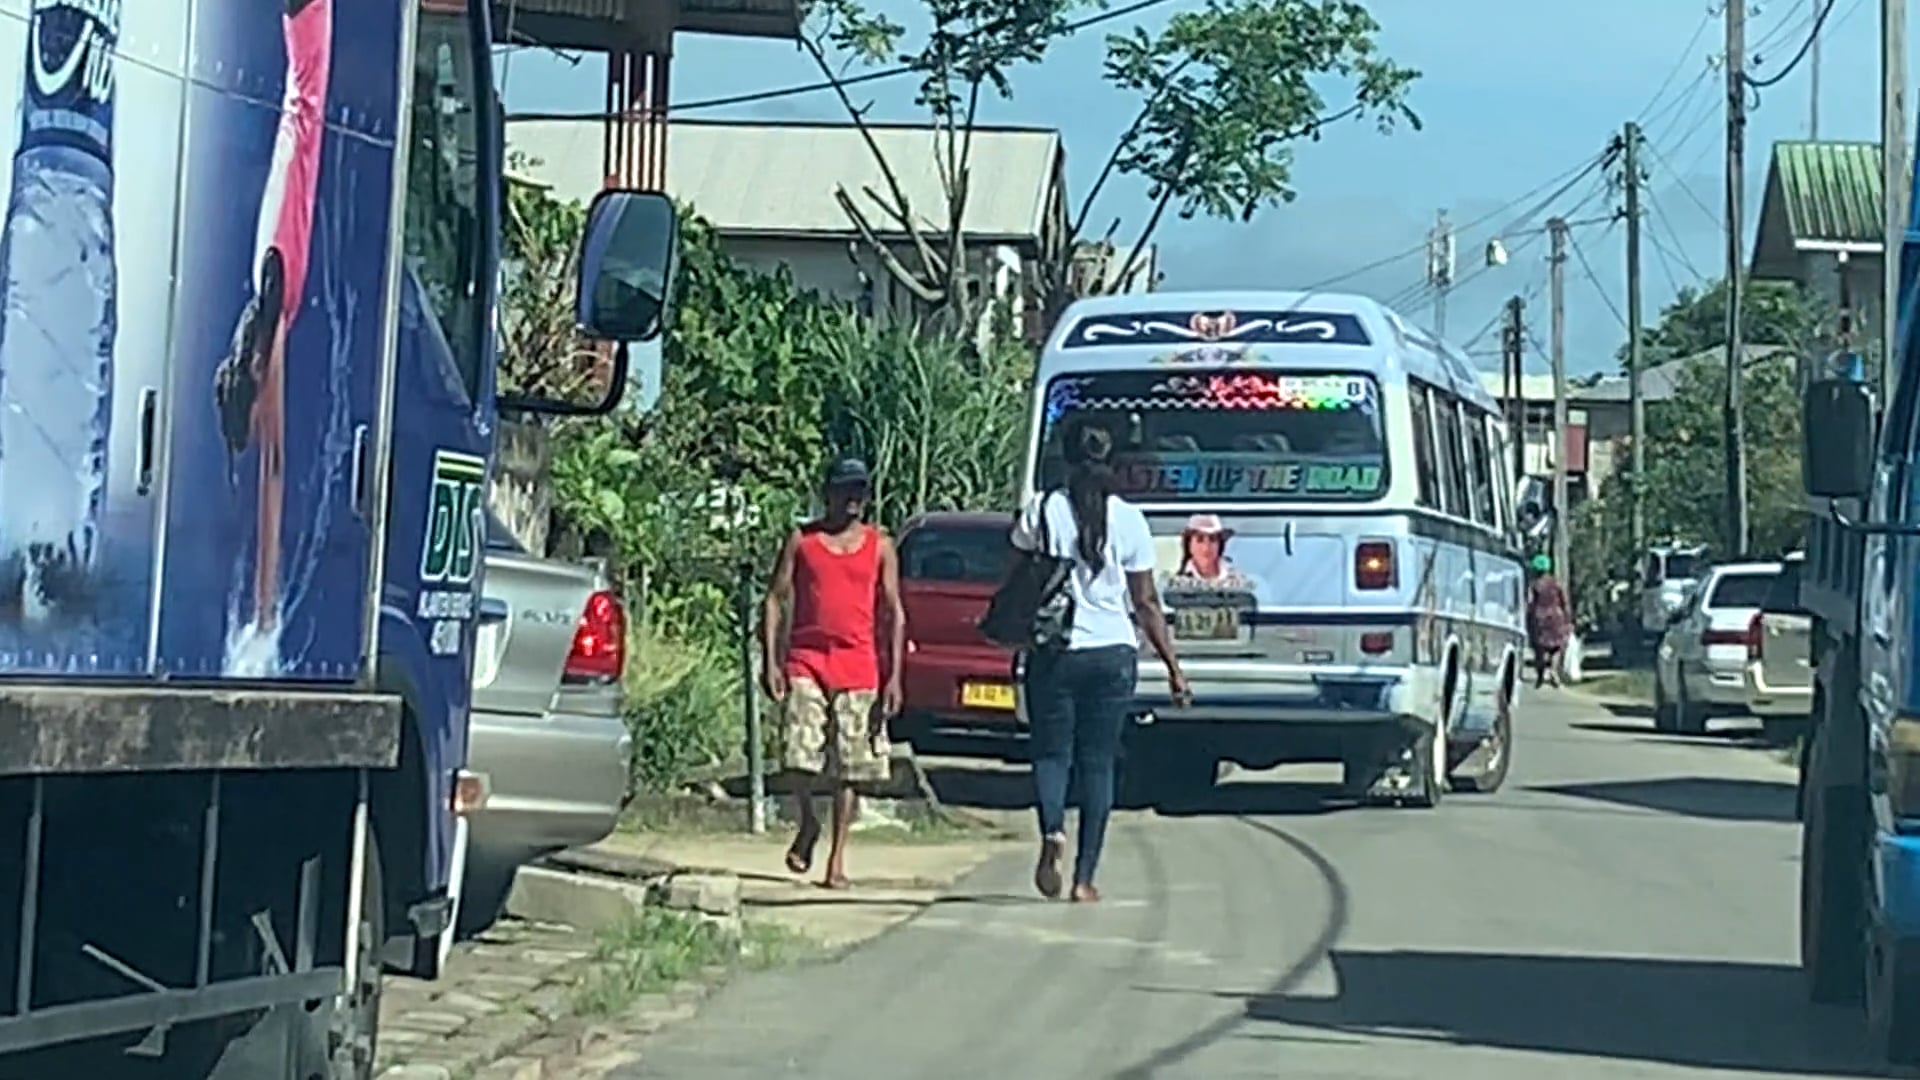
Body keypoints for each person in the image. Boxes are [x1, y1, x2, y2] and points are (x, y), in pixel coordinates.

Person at [1012, 423, 1189, 903]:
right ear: (1112, 462)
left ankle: (1052, 830)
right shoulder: (1130, 520)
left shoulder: (1043, 510)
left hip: (1056, 650)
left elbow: (1020, 574)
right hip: (1113, 654)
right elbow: (1145, 601)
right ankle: (1084, 879)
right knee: (1098, 764)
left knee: (1051, 755)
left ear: (1066, 459)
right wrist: (1173, 668)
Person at [213, 0, 333, 638]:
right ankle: (261, 609)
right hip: (289, 199)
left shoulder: (274, 301)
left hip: (303, 92)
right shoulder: (272, 301)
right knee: (303, 101)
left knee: (303, 100)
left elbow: (276, 468)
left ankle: (261, 608)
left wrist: (265, 609)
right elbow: (274, 465)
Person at [759, 458, 904, 889]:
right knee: (797, 754)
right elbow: (774, 598)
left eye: (860, 491)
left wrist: (895, 675)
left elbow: (893, 611)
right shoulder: (802, 541)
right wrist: (771, 660)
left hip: (858, 666)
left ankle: (837, 859)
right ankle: (807, 820)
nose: (853, 499)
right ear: (828, 493)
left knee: (849, 767)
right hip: (807, 660)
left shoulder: (880, 545)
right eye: (845, 490)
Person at [1526, 552, 1572, 688]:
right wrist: (1568, 619)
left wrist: (1529, 619)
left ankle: (1540, 675)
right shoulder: (1557, 583)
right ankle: (1553, 669)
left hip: (1539, 618)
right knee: (1557, 647)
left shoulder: (1534, 585)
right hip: (1557, 618)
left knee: (1539, 648)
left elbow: (1530, 603)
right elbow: (1565, 602)